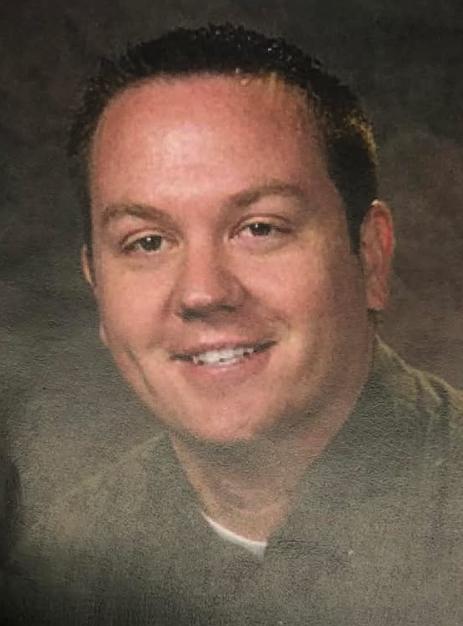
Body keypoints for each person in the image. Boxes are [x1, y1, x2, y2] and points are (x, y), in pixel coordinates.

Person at [9, 23, 463, 625]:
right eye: (147, 241)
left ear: (371, 256)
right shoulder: (59, 567)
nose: (203, 292)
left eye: (259, 228)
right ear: (97, 286)